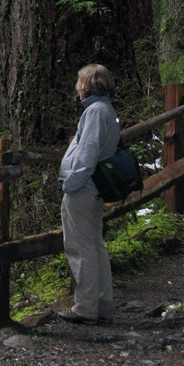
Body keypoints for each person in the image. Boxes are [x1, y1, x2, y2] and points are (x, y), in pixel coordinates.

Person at [57, 63, 120, 325]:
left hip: (84, 187)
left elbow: (88, 153)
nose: (77, 87)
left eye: (79, 82)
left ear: (87, 85)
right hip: (91, 187)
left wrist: (70, 182)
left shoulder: (95, 111)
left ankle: (85, 308)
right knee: (94, 246)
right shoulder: (105, 109)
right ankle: (102, 304)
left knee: (80, 247)